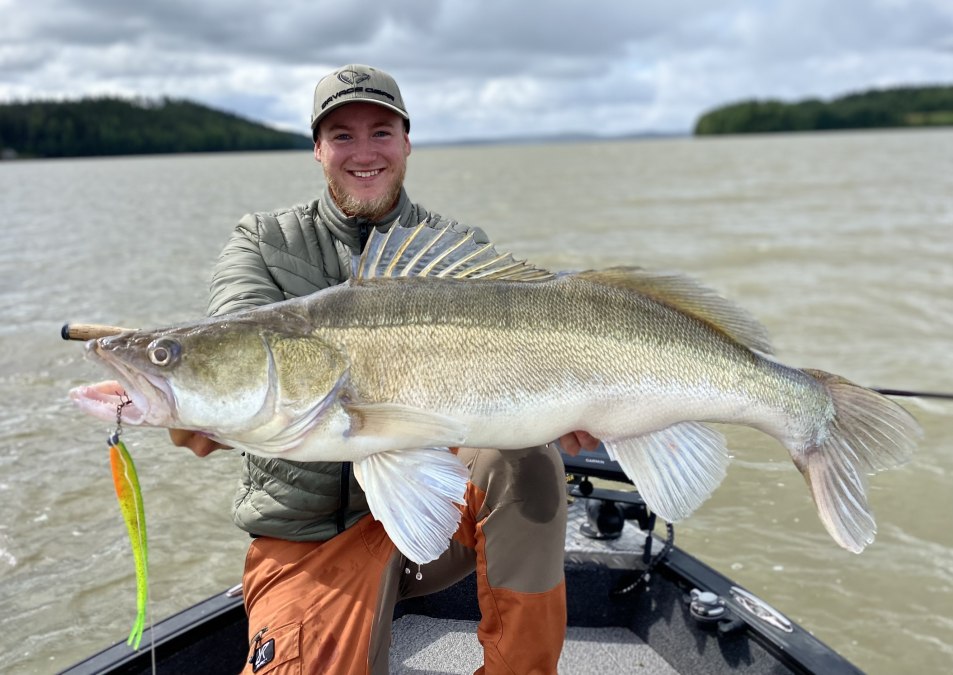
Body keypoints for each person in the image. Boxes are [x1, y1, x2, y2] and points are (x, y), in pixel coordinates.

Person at [171, 64, 599, 674]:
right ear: (317, 148)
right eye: (341, 134)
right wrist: (175, 388)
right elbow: (237, 347)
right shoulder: (262, 241)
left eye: (381, 131)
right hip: (312, 537)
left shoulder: (456, 246)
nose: (363, 151)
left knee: (527, 458)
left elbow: (518, 359)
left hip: (435, 514)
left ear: (406, 140)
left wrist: (563, 408)